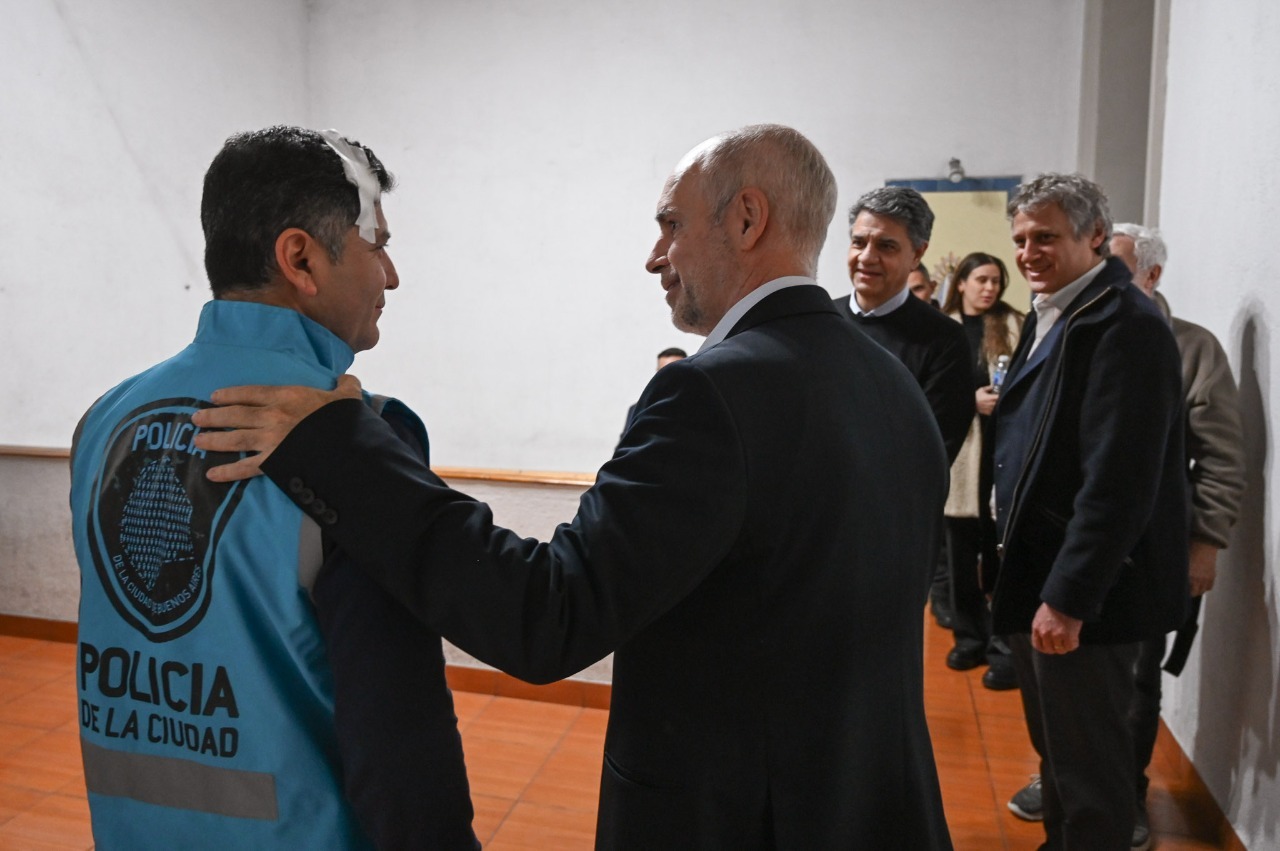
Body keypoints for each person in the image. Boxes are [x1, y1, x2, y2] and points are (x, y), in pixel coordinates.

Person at [192, 124, 955, 849]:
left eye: (670, 225)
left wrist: (345, 447)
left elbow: (547, 613)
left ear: (748, 217)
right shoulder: (890, 383)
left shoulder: (711, 397)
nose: (656, 257)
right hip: (868, 807)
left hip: (741, 821)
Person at [68, 126, 477, 850]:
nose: (392, 274)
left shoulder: (105, 420)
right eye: (377, 243)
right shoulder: (352, 438)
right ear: (301, 258)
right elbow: (397, 732)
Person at [991, 173, 1188, 850]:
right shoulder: (1055, 309)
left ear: (1095, 236)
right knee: (1060, 762)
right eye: (1019, 237)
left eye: (1045, 236)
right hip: (1040, 576)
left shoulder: (1126, 324)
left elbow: (1119, 481)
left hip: (1086, 599)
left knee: (1093, 779)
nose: (1027, 252)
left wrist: (1069, 597)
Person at [834, 187, 973, 464]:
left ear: (917, 254)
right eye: (859, 242)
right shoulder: (820, 318)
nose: (867, 257)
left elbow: (933, 454)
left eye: (886, 246)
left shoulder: (945, 340)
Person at [938, 252, 1023, 690]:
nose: (990, 289)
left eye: (997, 281)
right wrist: (971, 401)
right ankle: (968, 638)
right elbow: (926, 390)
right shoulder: (942, 325)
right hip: (961, 457)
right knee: (958, 557)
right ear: (963, 283)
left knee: (999, 560)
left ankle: (1004, 648)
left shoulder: (1014, 324)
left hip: (1003, 456)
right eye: (982, 280)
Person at [620, 346, 686, 437]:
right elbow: (624, 445)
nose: (668, 376)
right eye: (662, 371)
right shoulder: (637, 409)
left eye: (674, 371)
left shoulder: (701, 406)